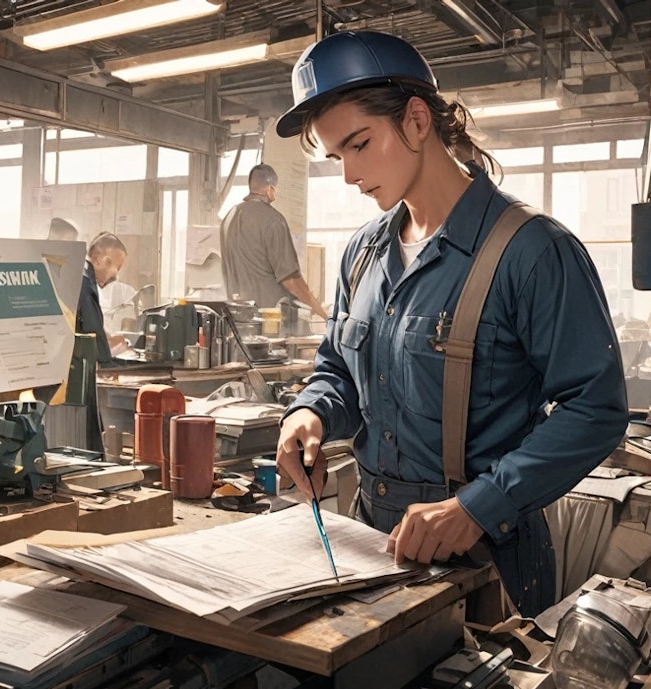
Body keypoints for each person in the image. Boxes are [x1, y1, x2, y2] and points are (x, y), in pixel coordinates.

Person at [272, 30, 628, 616]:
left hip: (489, 560)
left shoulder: (533, 252)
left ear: (416, 121)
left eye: (359, 145)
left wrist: (479, 506)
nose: (348, 175)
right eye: (338, 156)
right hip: (371, 546)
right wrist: (311, 410)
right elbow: (337, 366)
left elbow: (596, 408)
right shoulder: (362, 254)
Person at [220, 163, 328, 320]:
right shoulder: (273, 219)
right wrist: (322, 313)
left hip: (237, 319)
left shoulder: (228, 217)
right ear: (270, 189)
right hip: (269, 320)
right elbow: (291, 280)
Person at [77, 232, 128, 364]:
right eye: (116, 267)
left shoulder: (80, 275)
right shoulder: (85, 283)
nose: (116, 275)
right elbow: (91, 332)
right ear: (97, 259)